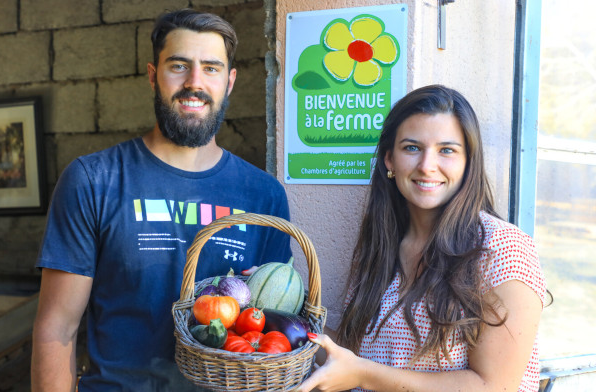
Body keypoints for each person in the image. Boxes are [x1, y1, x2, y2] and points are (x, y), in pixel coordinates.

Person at [31, 9, 292, 392]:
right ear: (154, 75)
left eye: (211, 68)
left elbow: (273, 328)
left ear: (230, 82)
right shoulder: (93, 180)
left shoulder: (264, 195)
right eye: (179, 66)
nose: (194, 83)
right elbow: (57, 327)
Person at [299, 85, 548, 392]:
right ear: (390, 159)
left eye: (447, 150)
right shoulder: (381, 249)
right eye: (412, 148)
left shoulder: (503, 249)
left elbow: (495, 386)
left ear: (468, 161)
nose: (427, 166)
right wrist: (285, 315)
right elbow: (352, 358)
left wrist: (363, 375)